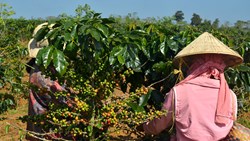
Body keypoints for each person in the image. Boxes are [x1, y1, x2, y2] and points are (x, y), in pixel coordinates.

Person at [142, 32, 243, 141]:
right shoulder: (230, 95)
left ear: (193, 64)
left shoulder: (179, 91)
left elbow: (160, 123)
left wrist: (145, 127)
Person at [26, 23, 65, 141]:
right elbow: (63, 99)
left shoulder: (36, 66)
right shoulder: (45, 74)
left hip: (38, 130)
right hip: (50, 132)